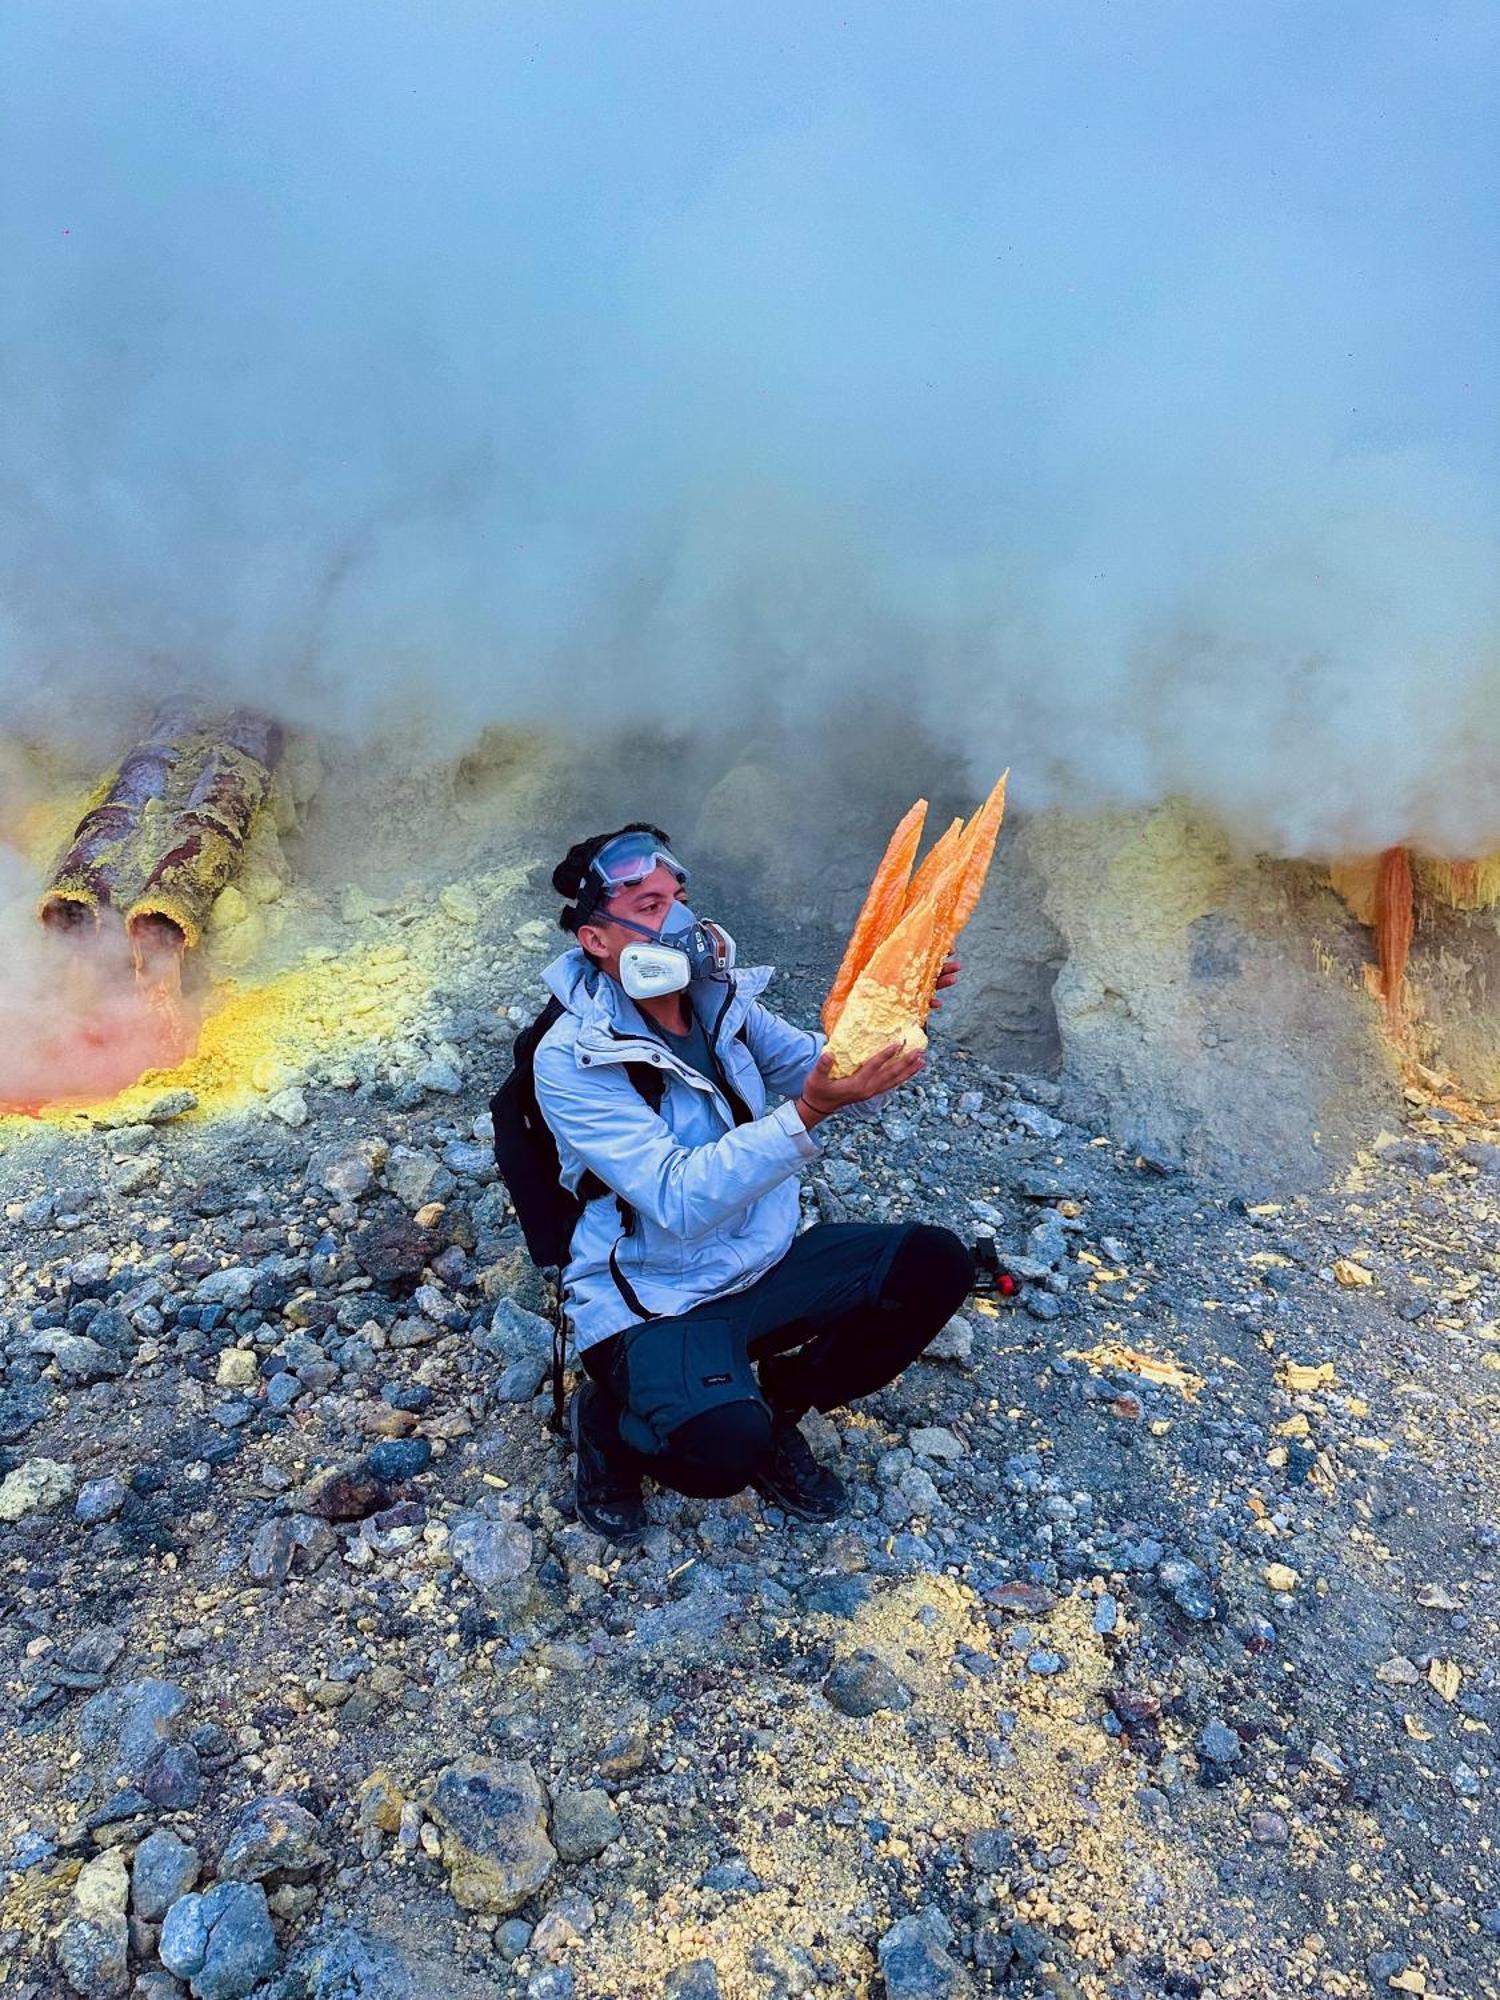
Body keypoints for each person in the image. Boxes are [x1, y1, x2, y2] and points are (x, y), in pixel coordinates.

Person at [532, 822, 975, 1540]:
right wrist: (806, 1114)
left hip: (758, 1262)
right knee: (717, 1455)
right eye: (648, 909)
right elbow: (676, 1197)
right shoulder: (572, 1058)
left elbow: (830, 1073)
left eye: (678, 898)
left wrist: (899, 1007)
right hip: (658, 1298)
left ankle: (782, 1403)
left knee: (934, 1264)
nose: (677, 921)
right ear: (596, 940)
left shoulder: (721, 1005)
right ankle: (608, 1424)